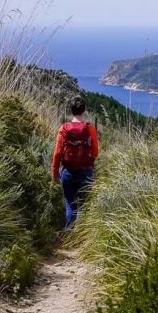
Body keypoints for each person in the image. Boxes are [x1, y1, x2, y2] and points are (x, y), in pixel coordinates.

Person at [51, 95, 99, 227]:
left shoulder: (63, 129)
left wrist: (55, 173)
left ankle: (68, 236)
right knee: (84, 207)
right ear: (84, 110)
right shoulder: (90, 129)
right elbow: (95, 152)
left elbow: (57, 153)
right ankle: (81, 240)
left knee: (70, 206)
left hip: (68, 172)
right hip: (86, 173)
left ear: (71, 110)